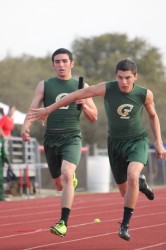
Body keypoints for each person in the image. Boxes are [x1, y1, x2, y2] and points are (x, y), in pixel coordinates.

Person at [27, 58, 166, 241]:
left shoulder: (144, 94)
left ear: (135, 77)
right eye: (119, 77)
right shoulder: (106, 88)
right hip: (115, 143)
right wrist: (49, 109)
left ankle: (124, 225)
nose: (123, 82)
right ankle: (140, 183)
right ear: (115, 76)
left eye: (127, 78)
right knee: (125, 193)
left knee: (132, 174)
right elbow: (76, 95)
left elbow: (153, 116)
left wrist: (158, 141)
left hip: (137, 140)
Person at [21, 48, 98, 237]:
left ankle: (63, 222)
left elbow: (94, 116)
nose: (61, 65)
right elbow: (33, 109)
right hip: (51, 139)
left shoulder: (82, 86)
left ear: (72, 63)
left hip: (72, 137)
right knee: (59, 183)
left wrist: (84, 105)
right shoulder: (45, 85)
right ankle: (68, 179)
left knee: (66, 173)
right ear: (53, 64)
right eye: (57, 61)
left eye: (64, 61)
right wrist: (25, 127)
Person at [0, 129, 10, 201]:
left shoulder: (1, 140)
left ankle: (1, 196)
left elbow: (3, 151)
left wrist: (7, 161)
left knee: (0, 179)